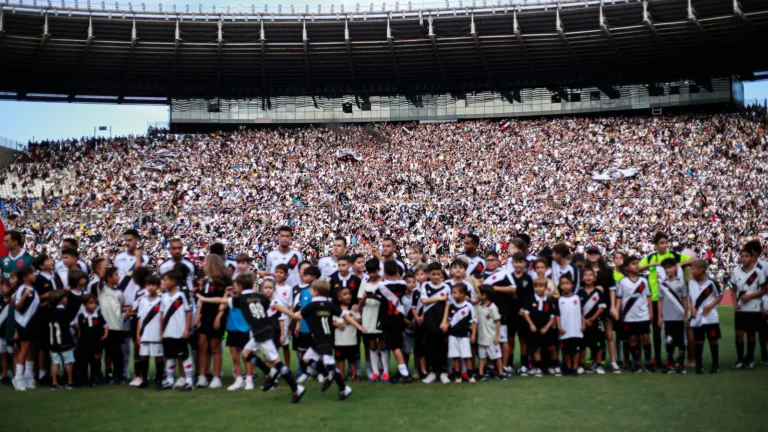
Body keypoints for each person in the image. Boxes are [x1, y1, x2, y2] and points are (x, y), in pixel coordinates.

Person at [196, 272, 304, 402]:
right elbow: (276, 306)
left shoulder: (240, 299)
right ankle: (269, 373)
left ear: (240, 286)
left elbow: (220, 301)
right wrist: (293, 315)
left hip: (261, 333)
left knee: (276, 362)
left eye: (235, 285)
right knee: (246, 354)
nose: (234, 288)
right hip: (262, 331)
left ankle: (296, 388)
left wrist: (203, 299)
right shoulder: (260, 296)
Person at [295, 280, 366, 401]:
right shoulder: (330, 305)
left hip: (321, 339)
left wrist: (282, 310)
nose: (310, 292)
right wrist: (359, 326)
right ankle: (329, 376)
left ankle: (343, 387)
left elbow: (298, 316)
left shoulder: (311, 306)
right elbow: (346, 315)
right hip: (325, 338)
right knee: (306, 359)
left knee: (330, 365)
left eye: (311, 290)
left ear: (316, 292)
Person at [638, 232, 692, 367]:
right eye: (661, 243)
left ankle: (675, 358)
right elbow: (638, 267)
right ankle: (657, 358)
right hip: (656, 297)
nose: (664, 245)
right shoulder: (651, 257)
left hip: (673, 299)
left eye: (665, 242)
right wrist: (650, 265)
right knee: (656, 329)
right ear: (655, 245)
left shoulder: (674, 255)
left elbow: (693, 259)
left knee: (674, 329)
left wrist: (680, 264)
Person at [113, 229, 151, 382]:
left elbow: (140, 272)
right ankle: (123, 371)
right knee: (122, 341)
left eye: (130, 240)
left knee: (137, 341)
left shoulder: (145, 258)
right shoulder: (118, 258)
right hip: (122, 303)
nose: (127, 243)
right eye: (125, 240)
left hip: (137, 304)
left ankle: (140, 372)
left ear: (137, 241)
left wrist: (138, 257)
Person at [371, 260, 412, 384]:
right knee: (397, 344)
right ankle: (402, 370)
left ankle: (404, 372)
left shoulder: (381, 286)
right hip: (399, 316)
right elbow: (401, 285)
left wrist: (383, 276)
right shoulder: (403, 284)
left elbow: (375, 290)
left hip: (387, 317)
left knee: (395, 346)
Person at [195, 254, 232, 389]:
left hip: (217, 315)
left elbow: (225, 301)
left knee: (215, 346)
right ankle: (202, 376)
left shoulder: (223, 281)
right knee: (203, 345)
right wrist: (198, 315)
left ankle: (216, 377)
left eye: (206, 262)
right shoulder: (206, 281)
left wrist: (219, 316)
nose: (204, 265)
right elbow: (202, 299)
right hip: (205, 316)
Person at [222, 253, 257, 391]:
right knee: (235, 355)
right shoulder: (233, 278)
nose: (240, 265)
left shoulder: (250, 280)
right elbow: (225, 302)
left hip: (245, 323)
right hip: (232, 322)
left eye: (243, 263)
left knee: (246, 354)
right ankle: (238, 379)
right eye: (239, 263)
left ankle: (249, 378)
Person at [728, 243, 766, 370]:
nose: (743, 258)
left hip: (753, 308)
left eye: (746, 256)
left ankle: (749, 359)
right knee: (739, 334)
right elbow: (733, 290)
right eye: (742, 256)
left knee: (751, 334)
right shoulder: (736, 272)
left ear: (752, 257)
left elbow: (764, 290)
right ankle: (740, 359)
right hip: (740, 309)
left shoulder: (758, 272)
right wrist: (734, 301)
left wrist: (750, 296)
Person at [615, 255, 654, 373]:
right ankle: (636, 363)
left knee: (645, 337)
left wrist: (651, 312)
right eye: (633, 264)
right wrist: (617, 311)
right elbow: (619, 298)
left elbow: (648, 297)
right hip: (629, 315)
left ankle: (647, 363)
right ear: (626, 267)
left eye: (637, 263)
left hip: (643, 314)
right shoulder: (623, 282)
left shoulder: (643, 281)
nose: (636, 266)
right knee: (632, 339)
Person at [159, 270, 194, 391]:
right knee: (169, 356)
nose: (163, 282)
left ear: (173, 281)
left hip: (179, 332)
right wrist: (161, 331)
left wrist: (186, 329)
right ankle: (169, 380)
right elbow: (162, 315)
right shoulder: (163, 297)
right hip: (168, 332)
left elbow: (188, 312)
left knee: (183, 356)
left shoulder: (181, 295)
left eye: (165, 280)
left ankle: (189, 382)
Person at [482, 251, 516, 375]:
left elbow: (513, 288)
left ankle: (505, 366)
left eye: (492, 260)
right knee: (488, 339)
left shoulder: (504, 274)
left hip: (501, 311)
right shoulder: (482, 274)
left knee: (502, 340)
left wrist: (495, 288)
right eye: (488, 260)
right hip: (485, 312)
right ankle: (491, 366)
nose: (490, 262)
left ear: (498, 261)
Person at [688, 259, 722, 374]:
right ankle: (699, 365)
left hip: (711, 317)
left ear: (701, 270)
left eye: (693, 269)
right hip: (697, 317)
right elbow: (691, 298)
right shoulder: (691, 283)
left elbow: (719, 296)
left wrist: (710, 306)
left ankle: (715, 365)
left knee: (713, 340)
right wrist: (692, 308)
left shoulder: (711, 283)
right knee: (698, 341)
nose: (691, 271)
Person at [419, 262, 450, 384]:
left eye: (438, 274)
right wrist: (440, 298)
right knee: (430, 346)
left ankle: (443, 372)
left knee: (442, 346)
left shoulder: (446, 287)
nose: (436, 276)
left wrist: (445, 321)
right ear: (428, 275)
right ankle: (431, 372)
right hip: (429, 319)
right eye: (433, 274)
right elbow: (424, 300)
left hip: (441, 319)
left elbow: (448, 304)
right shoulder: (425, 286)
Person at [657, 258, 689, 373]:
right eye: (665, 268)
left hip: (679, 318)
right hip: (667, 318)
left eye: (670, 267)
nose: (667, 270)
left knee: (681, 342)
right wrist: (659, 316)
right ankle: (670, 365)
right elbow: (660, 301)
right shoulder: (662, 285)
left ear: (675, 268)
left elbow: (685, 300)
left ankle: (680, 365)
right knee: (669, 341)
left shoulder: (681, 283)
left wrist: (686, 314)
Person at [440, 282, 476, 383]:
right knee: (456, 356)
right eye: (452, 293)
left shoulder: (469, 306)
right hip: (453, 335)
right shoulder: (451, 306)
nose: (453, 295)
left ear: (463, 294)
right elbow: (449, 319)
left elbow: (473, 321)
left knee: (466, 356)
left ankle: (470, 375)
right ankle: (457, 376)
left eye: (455, 293)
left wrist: (473, 334)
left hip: (464, 335)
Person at [522, 278, 558, 377]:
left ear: (546, 288)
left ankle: (555, 366)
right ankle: (538, 368)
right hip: (535, 328)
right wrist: (531, 324)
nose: (538, 289)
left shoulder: (549, 301)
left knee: (552, 347)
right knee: (537, 348)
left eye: (541, 286)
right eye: (536, 286)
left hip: (547, 329)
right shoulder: (531, 300)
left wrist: (547, 327)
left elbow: (552, 316)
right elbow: (526, 313)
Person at [134, 274, 164, 389]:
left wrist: (162, 332)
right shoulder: (142, 301)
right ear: (145, 286)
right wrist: (138, 333)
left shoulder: (161, 300)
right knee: (144, 356)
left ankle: (159, 379)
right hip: (144, 333)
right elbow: (140, 318)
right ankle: (144, 379)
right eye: (148, 285)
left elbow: (162, 317)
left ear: (158, 286)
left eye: (153, 285)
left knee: (158, 357)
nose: (151, 287)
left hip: (156, 332)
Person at [13, 266, 39, 391]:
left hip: (32, 322)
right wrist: (24, 296)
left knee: (31, 347)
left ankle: (28, 375)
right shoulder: (22, 289)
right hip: (23, 322)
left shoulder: (33, 288)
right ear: (25, 277)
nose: (34, 275)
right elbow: (17, 307)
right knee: (24, 347)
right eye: (31, 274)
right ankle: (18, 377)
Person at [293, 263, 320, 381]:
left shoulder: (321, 291)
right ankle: (305, 373)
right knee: (303, 350)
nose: (304, 276)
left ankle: (319, 372)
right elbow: (301, 309)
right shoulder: (303, 292)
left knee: (317, 350)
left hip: (316, 326)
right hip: (304, 325)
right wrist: (298, 324)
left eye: (307, 274)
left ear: (314, 277)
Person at [578, 268, 607, 374]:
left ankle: (598, 364)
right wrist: (584, 320)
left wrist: (593, 318)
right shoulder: (579, 292)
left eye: (591, 275)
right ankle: (581, 365)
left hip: (596, 322)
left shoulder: (598, 292)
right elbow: (577, 308)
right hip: (582, 323)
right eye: (586, 275)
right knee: (582, 345)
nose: (588, 277)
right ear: (582, 278)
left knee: (597, 345)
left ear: (594, 278)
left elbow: (602, 307)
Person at [75, 294, 108, 387]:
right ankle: (83, 379)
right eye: (90, 303)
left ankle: (94, 379)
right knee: (83, 362)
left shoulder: (98, 316)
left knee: (95, 361)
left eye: (95, 303)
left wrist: (105, 334)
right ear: (85, 305)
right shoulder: (81, 316)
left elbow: (105, 325)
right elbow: (78, 328)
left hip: (96, 344)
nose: (93, 305)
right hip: (84, 344)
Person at [509, 252, 534, 376]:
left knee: (524, 340)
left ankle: (524, 365)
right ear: (512, 263)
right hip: (511, 313)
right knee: (510, 340)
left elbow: (530, 296)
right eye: (516, 262)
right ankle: (509, 365)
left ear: (524, 263)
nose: (518, 264)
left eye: (520, 262)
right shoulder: (508, 277)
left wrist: (525, 308)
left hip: (524, 314)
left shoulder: (527, 278)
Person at [360, 258, 384, 381]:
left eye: (374, 272)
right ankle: (375, 371)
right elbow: (359, 304)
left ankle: (385, 371)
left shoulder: (383, 282)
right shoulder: (364, 283)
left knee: (383, 345)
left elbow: (388, 300)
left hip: (382, 316)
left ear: (378, 270)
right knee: (372, 345)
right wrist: (364, 298)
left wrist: (376, 296)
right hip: (368, 316)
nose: (372, 275)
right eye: (369, 272)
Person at [556, 276, 584, 376]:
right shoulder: (559, 299)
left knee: (576, 350)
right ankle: (568, 367)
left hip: (576, 329)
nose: (565, 286)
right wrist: (559, 326)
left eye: (567, 283)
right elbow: (557, 315)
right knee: (566, 351)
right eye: (562, 284)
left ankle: (575, 368)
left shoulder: (577, 298)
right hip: (565, 330)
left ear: (572, 285)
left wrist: (583, 324)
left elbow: (581, 312)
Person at [475, 284, 504, 380]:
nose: (477, 294)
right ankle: (481, 373)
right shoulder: (479, 306)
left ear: (484, 295)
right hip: (482, 337)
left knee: (496, 356)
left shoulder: (492, 307)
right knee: (481, 356)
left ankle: (500, 373)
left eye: (478, 293)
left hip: (491, 337)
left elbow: (497, 321)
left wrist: (497, 336)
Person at [47, 290, 75, 389]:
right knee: (68, 362)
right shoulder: (65, 312)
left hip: (53, 342)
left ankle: (54, 383)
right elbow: (69, 325)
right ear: (62, 299)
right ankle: (70, 382)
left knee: (55, 362)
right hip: (65, 341)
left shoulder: (50, 312)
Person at [334, 286, 362, 382]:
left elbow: (359, 320)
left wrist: (350, 320)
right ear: (339, 297)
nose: (348, 296)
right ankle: (341, 374)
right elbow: (331, 321)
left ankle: (354, 375)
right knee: (340, 359)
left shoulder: (353, 309)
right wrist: (337, 324)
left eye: (349, 293)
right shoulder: (336, 309)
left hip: (351, 340)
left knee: (352, 359)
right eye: (345, 294)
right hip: (339, 340)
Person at [272, 264, 293, 368]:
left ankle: (287, 367)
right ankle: (275, 368)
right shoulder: (271, 286)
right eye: (277, 271)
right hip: (272, 319)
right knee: (273, 345)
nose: (278, 274)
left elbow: (290, 306)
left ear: (286, 275)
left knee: (285, 345)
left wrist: (290, 322)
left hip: (284, 319)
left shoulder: (289, 288)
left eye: (281, 272)